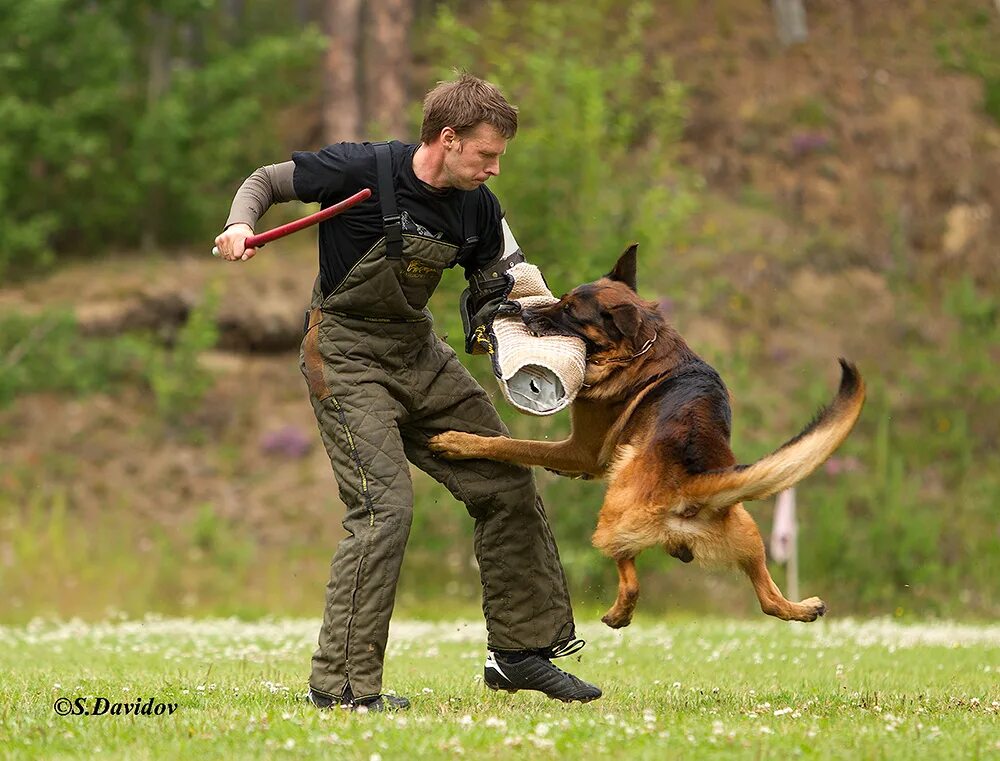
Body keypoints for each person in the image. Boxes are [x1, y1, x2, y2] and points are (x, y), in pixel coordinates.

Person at [214, 73, 601, 712]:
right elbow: (265, 181)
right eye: (486, 154)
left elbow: (496, 288)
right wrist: (237, 224)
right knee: (383, 508)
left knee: (502, 476)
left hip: (415, 351)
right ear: (447, 140)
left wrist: (534, 331)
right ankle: (340, 689)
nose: (495, 169)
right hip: (343, 351)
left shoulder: (478, 207)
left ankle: (520, 654)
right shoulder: (362, 168)